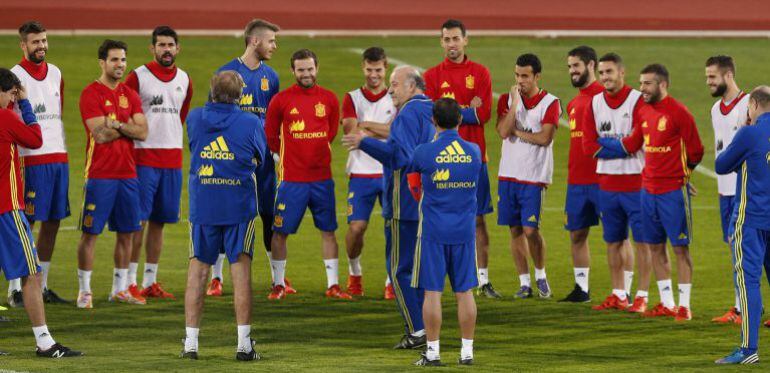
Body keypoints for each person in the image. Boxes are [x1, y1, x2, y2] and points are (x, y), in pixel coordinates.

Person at [342, 65, 435, 349]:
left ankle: (418, 331)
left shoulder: (407, 113)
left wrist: (364, 142)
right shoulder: (428, 109)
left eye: (395, 84)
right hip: (425, 201)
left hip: (402, 203)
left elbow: (400, 156)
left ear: (412, 86)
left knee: (399, 270)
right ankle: (428, 329)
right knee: (420, 270)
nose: (391, 89)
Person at [605, 63, 704, 321]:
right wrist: (598, 143)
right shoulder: (645, 111)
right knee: (655, 247)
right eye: (640, 83)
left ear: (662, 84)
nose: (642, 89)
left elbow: (696, 151)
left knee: (680, 249)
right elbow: (633, 143)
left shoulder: (680, 113)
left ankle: (684, 306)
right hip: (647, 191)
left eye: (647, 84)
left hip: (672, 191)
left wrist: (685, 175)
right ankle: (667, 302)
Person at [182, 71, 265, 361]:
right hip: (238, 207)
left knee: (198, 271)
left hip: (203, 205)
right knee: (240, 273)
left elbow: (195, 146)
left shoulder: (194, 118)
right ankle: (243, 344)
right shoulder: (251, 122)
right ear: (240, 95)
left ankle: (190, 344)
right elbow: (261, 158)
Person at [0, 67, 82, 357]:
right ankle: (45, 342)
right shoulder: (6, 117)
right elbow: (35, 138)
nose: (12, 98)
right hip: (6, 209)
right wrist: (24, 104)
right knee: (33, 274)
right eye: (10, 93)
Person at [209, 19, 288, 296]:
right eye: (271, 41)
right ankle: (216, 278)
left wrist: (275, 151)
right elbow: (214, 118)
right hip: (233, 161)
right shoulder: (226, 73)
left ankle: (278, 281)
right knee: (227, 215)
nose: (274, 46)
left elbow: (276, 117)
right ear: (255, 41)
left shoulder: (272, 77)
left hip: (265, 161)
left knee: (269, 215)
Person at [265, 49, 350, 300]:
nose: (306, 74)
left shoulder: (329, 99)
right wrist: (282, 158)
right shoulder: (281, 101)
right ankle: (279, 283)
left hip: (322, 179)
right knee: (280, 232)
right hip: (292, 180)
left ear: (317, 68)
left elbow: (331, 132)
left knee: (328, 230)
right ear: (293, 71)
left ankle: (333, 285)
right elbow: (271, 135)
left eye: (310, 69)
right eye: (301, 70)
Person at [423, 19, 498, 299]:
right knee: (436, 219)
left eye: (456, 39)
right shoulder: (431, 76)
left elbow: (484, 114)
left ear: (466, 40)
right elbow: (433, 116)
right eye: (447, 39)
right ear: (441, 42)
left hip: (474, 162)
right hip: (441, 161)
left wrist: (450, 110)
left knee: (478, 221)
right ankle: (440, 278)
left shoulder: (480, 72)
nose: (452, 44)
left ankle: (483, 280)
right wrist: (467, 109)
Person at [408, 98, 481, 366]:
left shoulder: (423, 152)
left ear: (433, 121)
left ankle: (433, 352)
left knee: (432, 293)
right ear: (460, 120)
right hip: (464, 232)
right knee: (465, 291)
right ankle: (467, 352)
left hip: (433, 231)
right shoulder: (473, 151)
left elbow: (410, 173)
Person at [76, 39, 148, 308]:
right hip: (99, 174)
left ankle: (119, 289)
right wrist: (125, 126)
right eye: (115, 60)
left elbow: (143, 131)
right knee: (90, 233)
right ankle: (85, 290)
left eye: (123, 60)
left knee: (127, 232)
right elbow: (100, 134)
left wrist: (115, 122)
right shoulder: (90, 93)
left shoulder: (129, 94)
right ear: (102, 63)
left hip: (128, 175)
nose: (120, 65)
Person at [124, 25, 193, 300]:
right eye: (161, 45)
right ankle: (129, 281)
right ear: (152, 48)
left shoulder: (185, 79)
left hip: (172, 161)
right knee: (137, 222)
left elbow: (180, 115)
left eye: (170, 45)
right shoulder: (137, 77)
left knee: (160, 222)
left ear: (178, 48)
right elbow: (126, 115)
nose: (166, 49)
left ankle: (150, 281)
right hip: (143, 159)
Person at [8, 21, 70, 306]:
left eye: (44, 40)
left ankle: (41, 286)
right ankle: (16, 288)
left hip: (58, 157)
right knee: (25, 223)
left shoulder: (56, 72)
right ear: (23, 45)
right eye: (35, 42)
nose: (41, 46)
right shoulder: (14, 76)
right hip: (30, 159)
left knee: (54, 221)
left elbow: (58, 112)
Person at [582, 53, 650, 312]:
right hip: (608, 184)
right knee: (613, 241)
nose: (605, 78)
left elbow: (637, 142)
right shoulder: (595, 102)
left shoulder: (637, 101)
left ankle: (642, 295)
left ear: (622, 73)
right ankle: (619, 293)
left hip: (635, 183)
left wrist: (607, 144)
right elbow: (589, 146)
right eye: (601, 73)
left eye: (609, 72)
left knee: (643, 242)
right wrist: (621, 146)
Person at [496, 53, 560, 299]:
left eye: (525, 76)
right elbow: (503, 132)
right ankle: (524, 283)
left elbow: (545, 139)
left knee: (531, 230)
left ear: (536, 76)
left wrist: (518, 133)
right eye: (517, 75)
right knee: (514, 230)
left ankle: (541, 275)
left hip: (534, 177)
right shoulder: (506, 99)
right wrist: (514, 105)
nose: (520, 81)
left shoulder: (551, 103)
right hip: (508, 176)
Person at [714, 85, 770, 365]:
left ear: (754, 106)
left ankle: (749, 350)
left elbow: (722, 165)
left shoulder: (749, 132)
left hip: (751, 220)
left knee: (749, 282)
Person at [704, 55, 756, 325]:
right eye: (707, 77)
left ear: (728, 76)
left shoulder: (749, 105)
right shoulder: (715, 109)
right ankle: (739, 308)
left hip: (746, 191)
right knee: (736, 250)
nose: (708, 82)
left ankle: (742, 310)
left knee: (748, 251)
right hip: (725, 192)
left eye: (712, 77)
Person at [341, 47, 396, 299]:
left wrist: (365, 128)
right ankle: (355, 274)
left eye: (378, 70)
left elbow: (397, 132)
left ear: (386, 69)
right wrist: (383, 129)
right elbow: (351, 134)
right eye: (369, 69)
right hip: (361, 173)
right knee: (356, 228)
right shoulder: (352, 97)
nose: (373, 74)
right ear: (362, 68)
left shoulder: (395, 97)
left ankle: (391, 280)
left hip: (390, 171)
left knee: (393, 229)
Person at [558, 46, 603, 303]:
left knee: (616, 236)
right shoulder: (574, 103)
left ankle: (625, 292)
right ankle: (581, 289)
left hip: (602, 180)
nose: (572, 71)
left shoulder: (605, 98)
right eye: (569, 67)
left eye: (576, 66)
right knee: (576, 234)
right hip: (576, 181)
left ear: (591, 65)